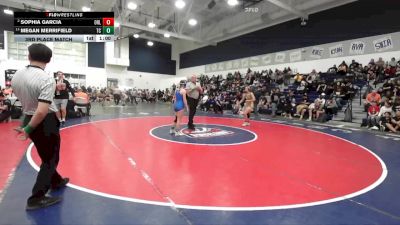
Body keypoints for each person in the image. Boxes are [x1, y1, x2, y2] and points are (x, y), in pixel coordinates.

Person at [11, 43, 69, 210]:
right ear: (49, 60)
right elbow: (42, 110)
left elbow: (26, 103)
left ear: (29, 56)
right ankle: (36, 197)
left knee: (46, 155)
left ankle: (56, 181)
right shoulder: (46, 78)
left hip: (30, 116)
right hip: (45, 121)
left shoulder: (17, 75)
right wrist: (28, 129)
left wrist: (26, 124)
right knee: (51, 159)